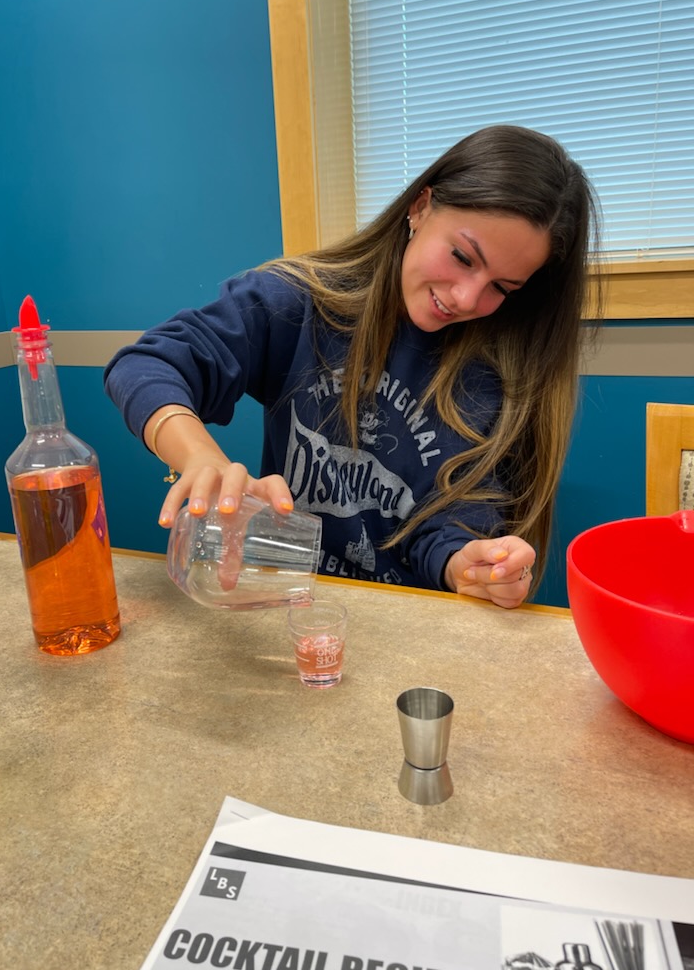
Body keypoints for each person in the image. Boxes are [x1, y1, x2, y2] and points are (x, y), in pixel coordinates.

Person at [104, 124, 602, 609]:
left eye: (501, 288)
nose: (467, 298)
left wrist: (469, 567)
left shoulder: (496, 377)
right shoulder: (297, 301)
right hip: (288, 607)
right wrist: (201, 459)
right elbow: (147, 364)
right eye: (462, 256)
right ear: (420, 207)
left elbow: (450, 531)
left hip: (412, 623)